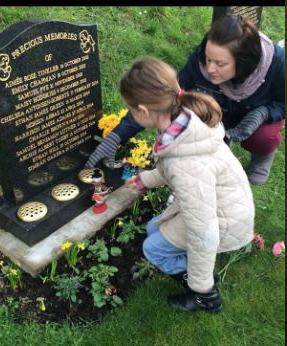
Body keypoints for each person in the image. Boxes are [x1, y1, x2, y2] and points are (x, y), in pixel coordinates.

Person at [120, 57, 254, 313]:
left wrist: (201, 281)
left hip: (223, 218)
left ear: (144, 111)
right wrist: (145, 179)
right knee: (152, 228)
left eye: (132, 110)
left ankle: (206, 298)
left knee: (153, 249)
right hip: (222, 202)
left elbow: (204, 232)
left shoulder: (186, 165)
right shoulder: (184, 121)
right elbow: (172, 168)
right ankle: (193, 272)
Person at [85, 15, 285, 185]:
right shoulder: (202, 59)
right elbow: (161, 97)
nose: (209, 69)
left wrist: (265, 112)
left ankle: (261, 159)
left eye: (220, 64)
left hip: (254, 116)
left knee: (263, 137)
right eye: (208, 59)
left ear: (243, 63)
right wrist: (117, 136)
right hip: (217, 112)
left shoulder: (277, 63)